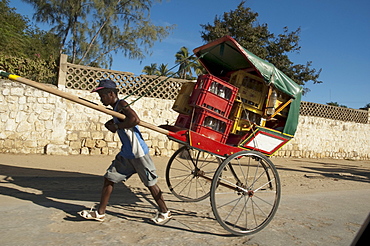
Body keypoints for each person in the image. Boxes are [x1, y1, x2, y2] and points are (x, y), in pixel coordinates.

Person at [78, 79, 172, 224]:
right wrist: (113, 124)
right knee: (109, 178)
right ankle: (100, 212)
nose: (100, 98)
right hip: (126, 154)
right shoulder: (115, 109)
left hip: (138, 153)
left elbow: (134, 119)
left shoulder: (121, 104)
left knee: (150, 183)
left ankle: (165, 212)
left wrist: (117, 126)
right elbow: (122, 123)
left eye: (102, 95)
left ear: (111, 93)